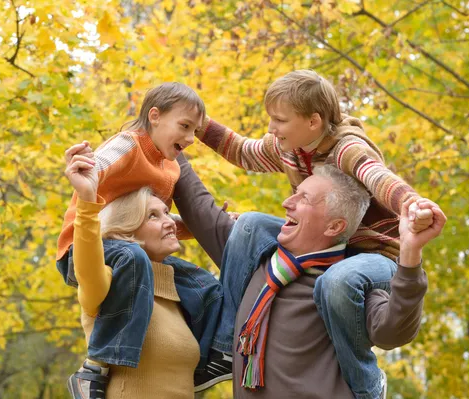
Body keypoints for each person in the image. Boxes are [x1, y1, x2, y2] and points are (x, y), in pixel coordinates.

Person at [195, 69, 441, 398]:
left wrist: (410, 203)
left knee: (338, 282)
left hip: (374, 256)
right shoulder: (289, 146)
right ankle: (226, 347)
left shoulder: (346, 148)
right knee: (251, 224)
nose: (272, 128)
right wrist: (198, 124)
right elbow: (243, 151)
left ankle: (367, 384)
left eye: (280, 120)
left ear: (313, 121)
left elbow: (376, 176)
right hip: (329, 242)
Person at [172, 154, 446, 398]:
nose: (286, 203)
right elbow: (198, 207)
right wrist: (168, 144)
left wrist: (410, 252)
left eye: (303, 199)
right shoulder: (252, 259)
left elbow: (392, 332)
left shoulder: (347, 284)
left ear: (334, 225)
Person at [56, 83, 229, 399]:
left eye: (196, 130)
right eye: (185, 126)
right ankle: (96, 368)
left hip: (128, 250)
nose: (191, 139)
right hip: (87, 246)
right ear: (155, 116)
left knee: (206, 285)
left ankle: (212, 358)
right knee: (133, 257)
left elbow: (149, 224)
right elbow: (102, 164)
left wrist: (212, 222)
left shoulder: (170, 168)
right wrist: (87, 177)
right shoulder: (129, 145)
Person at [63, 146, 201, 398]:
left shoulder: (184, 294)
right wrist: (86, 198)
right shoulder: (111, 286)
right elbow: (87, 263)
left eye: (167, 213)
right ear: (126, 232)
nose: (170, 222)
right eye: (153, 216)